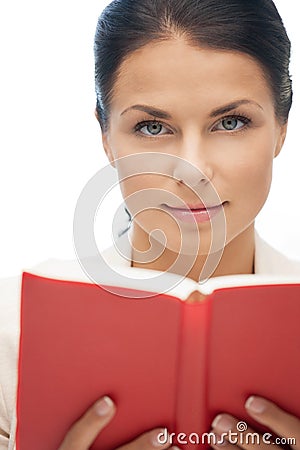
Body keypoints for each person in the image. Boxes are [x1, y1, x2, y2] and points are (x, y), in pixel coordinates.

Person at [1, 0, 300, 448]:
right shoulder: (11, 332)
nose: (192, 169)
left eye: (231, 121)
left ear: (281, 126)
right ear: (105, 135)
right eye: (153, 128)